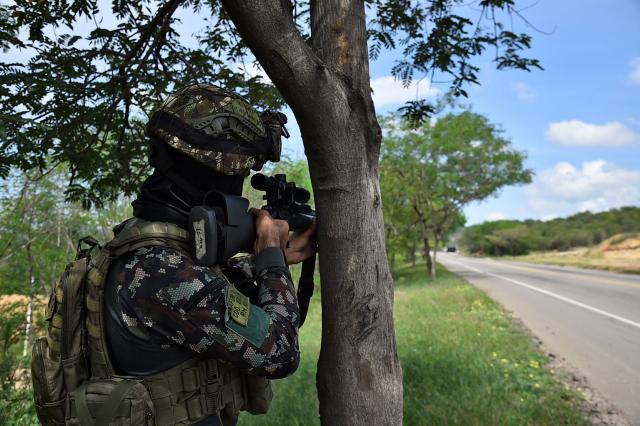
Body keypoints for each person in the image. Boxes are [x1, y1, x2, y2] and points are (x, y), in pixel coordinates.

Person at [100, 84, 316, 425]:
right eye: (240, 177)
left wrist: (264, 261)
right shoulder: (159, 270)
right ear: (214, 174)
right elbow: (281, 351)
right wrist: (271, 256)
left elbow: (210, 297)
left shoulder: (144, 250)